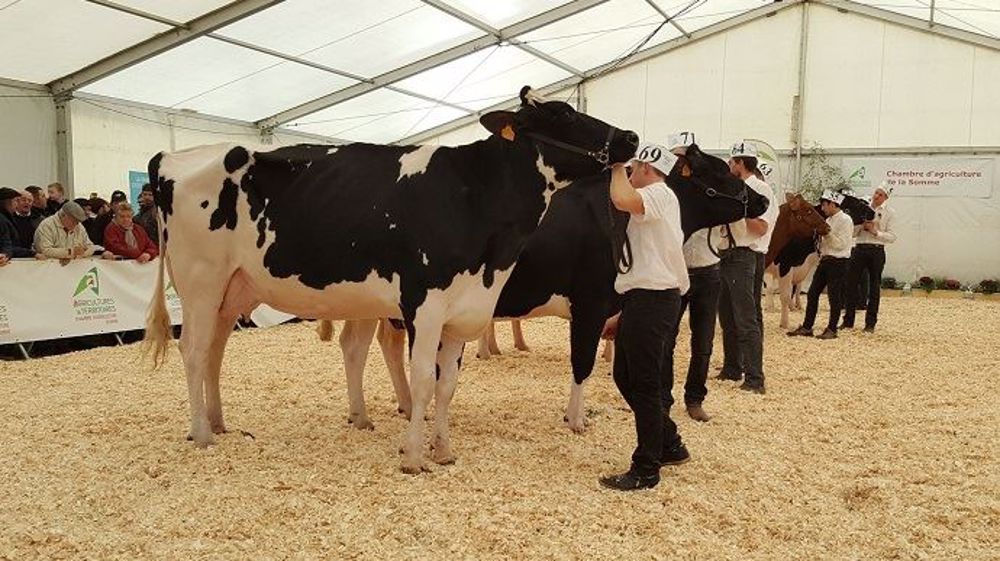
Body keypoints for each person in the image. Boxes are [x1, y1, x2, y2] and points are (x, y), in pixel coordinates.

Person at [598, 142, 690, 492]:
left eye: (635, 169)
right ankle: (669, 443)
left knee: (646, 383)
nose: (630, 175)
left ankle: (647, 469)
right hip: (644, 298)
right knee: (625, 376)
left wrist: (617, 164)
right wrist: (625, 312)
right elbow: (650, 262)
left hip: (655, 301)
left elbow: (621, 198)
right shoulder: (656, 201)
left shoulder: (659, 194)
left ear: (647, 169)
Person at [662, 132, 719, 422]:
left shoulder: (710, 189)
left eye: (686, 159)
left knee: (703, 342)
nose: (683, 165)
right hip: (676, 273)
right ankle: (663, 397)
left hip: (708, 269)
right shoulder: (667, 192)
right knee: (666, 339)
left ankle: (695, 398)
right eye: (678, 158)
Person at [715, 141, 778, 394]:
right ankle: (732, 367)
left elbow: (761, 227)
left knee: (746, 318)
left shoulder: (759, 189)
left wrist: (734, 214)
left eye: (731, 162)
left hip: (745, 255)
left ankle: (754, 378)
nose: (729, 166)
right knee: (727, 315)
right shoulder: (737, 187)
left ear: (740, 163)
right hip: (728, 253)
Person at [788, 190, 854, 339]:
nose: (822, 208)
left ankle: (832, 329)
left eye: (824, 205)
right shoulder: (828, 220)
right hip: (825, 260)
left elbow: (841, 244)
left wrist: (827, 233)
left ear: (832, 204)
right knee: (812, 293)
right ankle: (807, 327)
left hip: (838, 261)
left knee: (834, 296)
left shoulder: (845, 220)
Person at [841, 183, 896, 333]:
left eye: (880, 194)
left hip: (876, 250)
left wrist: (875, 232)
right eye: (876, 193)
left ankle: (870, 323)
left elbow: (892, 237)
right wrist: (860, 226)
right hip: (859, 248)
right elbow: (852, 233)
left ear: (885, 198)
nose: (876, 196)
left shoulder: (890, 213)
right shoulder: (862, 207)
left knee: (874, 287)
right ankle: (848, 321)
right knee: (851, 284)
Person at [33, 201, 113, 262]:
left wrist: (82, 252)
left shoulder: (79, 226)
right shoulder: (46, 225)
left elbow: (90, 246)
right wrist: (71, 252)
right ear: (63, 215)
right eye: (74, 221)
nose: (76, 224)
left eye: (78, 221)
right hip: (50, 270)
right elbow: (45, 251)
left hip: (74, 269)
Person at [1, 187, 36, 265]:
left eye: (30, 201)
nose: (17, 204)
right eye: (16, 200)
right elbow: (8, 245)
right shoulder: (3, 220)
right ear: (8, 202)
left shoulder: (7, 218)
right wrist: (32, 253)